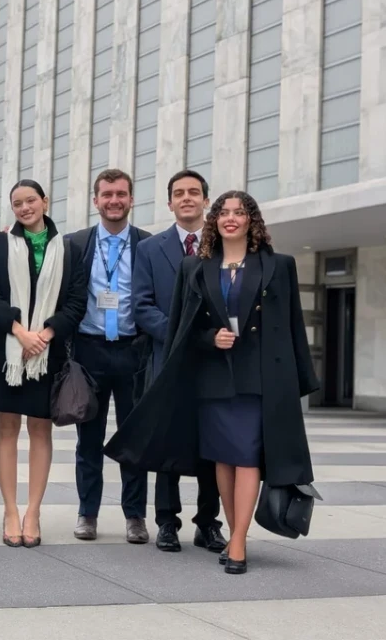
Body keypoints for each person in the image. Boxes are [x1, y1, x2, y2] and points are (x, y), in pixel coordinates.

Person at [105, 190, 320, 574]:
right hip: (213, 377)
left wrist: (300, 381)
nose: (231, 218)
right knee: (223, 457)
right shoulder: (196, 267)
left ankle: (237, 541)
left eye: (240, 212)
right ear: (215, 220)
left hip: (259, 378)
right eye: (224, 212)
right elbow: (186, 327)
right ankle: (236, 531)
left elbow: (292, 328)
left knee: (248, 456)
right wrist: (210, 338)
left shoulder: (279, 265)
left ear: (251, 220)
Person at [0, 179, 87, 548]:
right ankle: (10, 510)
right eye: (17, 203)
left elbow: (75, 302)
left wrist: (44, 336)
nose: (24, 208)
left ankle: (34, 511)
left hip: (48, 352)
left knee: (41, 431)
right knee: (6, 429)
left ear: (45, 201)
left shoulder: (69, 248)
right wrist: (19, 332)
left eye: (30, 201)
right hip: (7, 350)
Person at [132, 170, 226, 554]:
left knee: (212, 444)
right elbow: (141, 306)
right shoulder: (150, 249)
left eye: (194, 192)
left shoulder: (225, 246)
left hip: (213, 363)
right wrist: (181, 334)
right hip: (167, 359)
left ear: (206, 200)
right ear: (169, 202)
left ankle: (208, 523)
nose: (186, 198)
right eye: (178, 193)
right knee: (168, 443)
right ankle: (167, 523)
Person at [67, 169, 151, 544]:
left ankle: (135, 517)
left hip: (134, 352)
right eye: (106, 194)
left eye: (121, 194)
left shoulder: (148, 245)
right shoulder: (75, 244)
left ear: (132, 199)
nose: (114, 200)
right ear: (95, 200)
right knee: (89, 441)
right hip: (90, 351)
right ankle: (88, 513)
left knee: (135, 439)